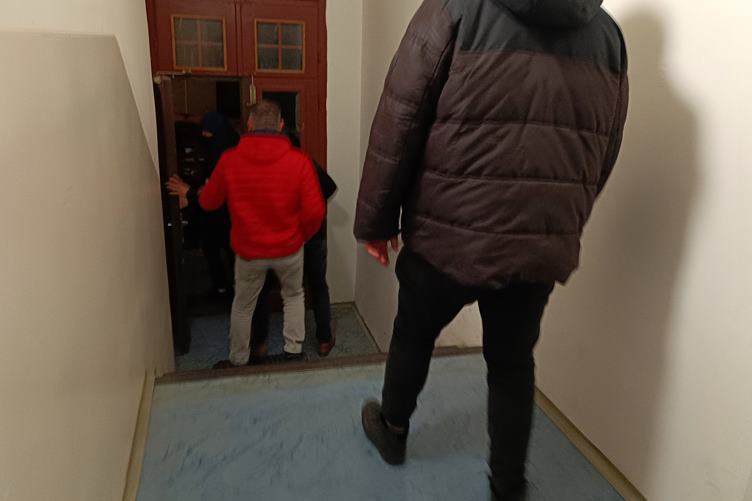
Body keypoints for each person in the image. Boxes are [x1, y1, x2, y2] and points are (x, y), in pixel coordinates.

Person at [353, 1, 629, 500]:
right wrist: (559, 225)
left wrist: (376, 221)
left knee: (413, 333)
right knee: (512, 361)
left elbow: (401, 117)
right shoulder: (608, 37)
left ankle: (392, 429)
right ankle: (508, 486)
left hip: (445, 234)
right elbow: (603, 151)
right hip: (536, 245)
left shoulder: (455, 8)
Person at [202, 101, 325, 367]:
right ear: (281, 126)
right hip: (289, 248)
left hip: (249, 251)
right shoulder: (300, 161)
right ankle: (293, 352)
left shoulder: (229, 160)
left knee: (243, 305)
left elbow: (209, 202)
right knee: (293, 296)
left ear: (249, 125)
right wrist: (301, 235)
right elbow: (315, 211)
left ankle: (238, 360)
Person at [167, 112, 272, 363]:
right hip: (252, 234)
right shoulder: (239, 153)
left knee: (251, 295)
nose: (206, 138)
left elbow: (224, 190)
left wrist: (191, 195)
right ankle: (255, 346)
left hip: (250, 236)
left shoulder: (234, 156)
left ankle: (252, 350)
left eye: (210, 134)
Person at [291, 133, 338, 357]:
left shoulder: (276, 167)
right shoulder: (308, 163)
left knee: (293, 290)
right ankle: (324, 340)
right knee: (318, 286)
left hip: (291, 237)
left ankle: (293, 343)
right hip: (315, 235)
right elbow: (330, 187)